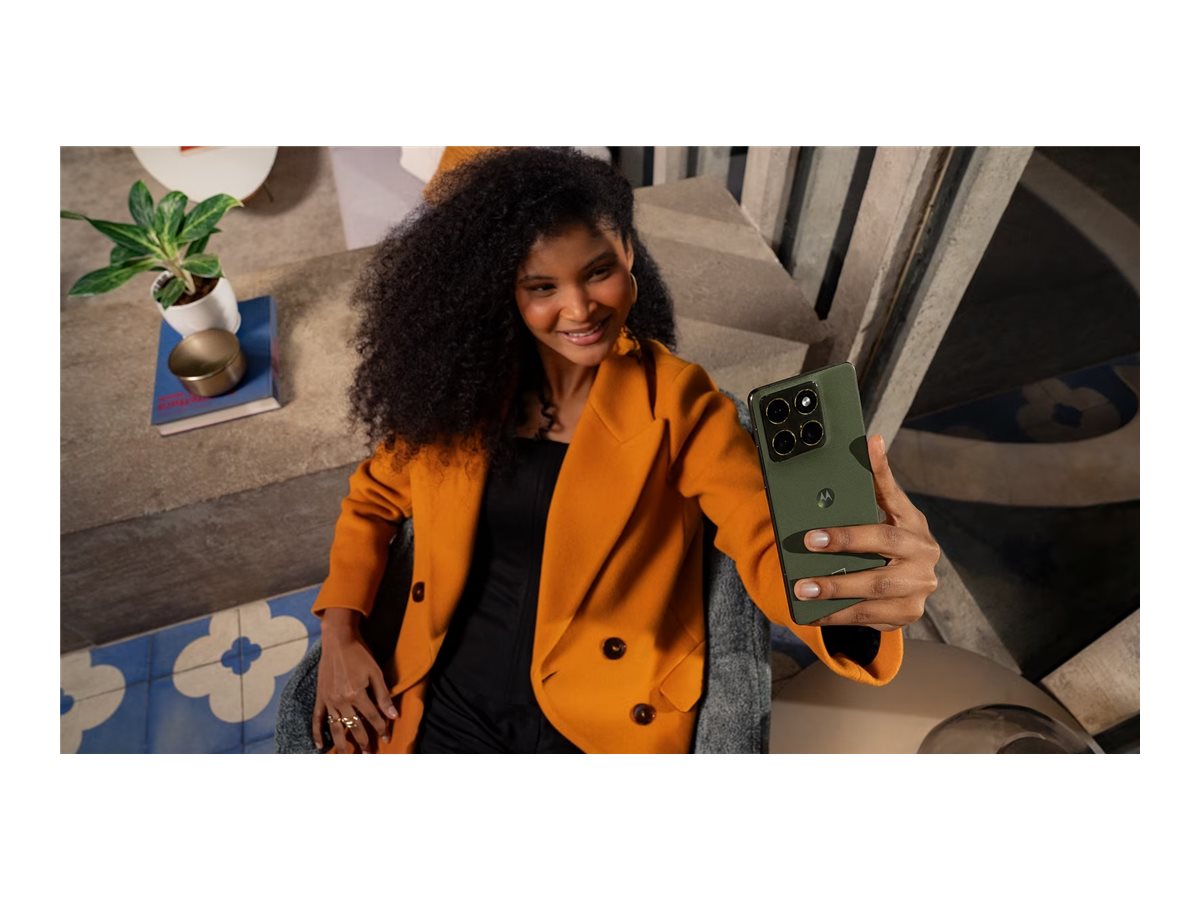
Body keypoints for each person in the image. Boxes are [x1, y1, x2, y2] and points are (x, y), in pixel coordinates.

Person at [310, 147, 940, 754]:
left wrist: (856, 600)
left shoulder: (679, 401)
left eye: (598, 272)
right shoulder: (460, 395)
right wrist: (341, 634)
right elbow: (372, 499)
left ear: (629, 253)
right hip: (445, 705)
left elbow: (757, 529)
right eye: (542, 287)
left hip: (594, 723)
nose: (579, 309)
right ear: (504, 289)